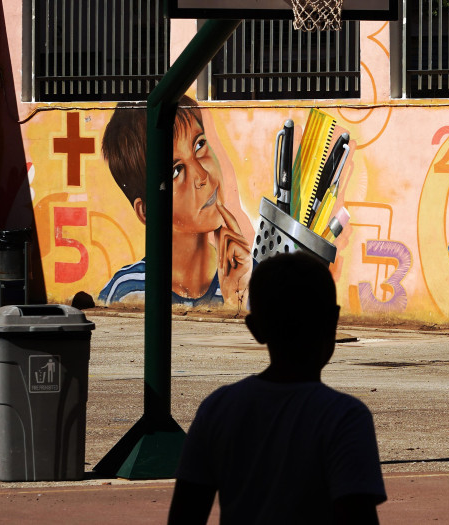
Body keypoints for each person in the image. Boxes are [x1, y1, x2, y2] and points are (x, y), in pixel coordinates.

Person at [169, 252, 386, 524]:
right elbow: (357, 514)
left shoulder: (218, 408)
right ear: (332, 322)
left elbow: (185, 512)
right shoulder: (345, 417)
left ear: (256, 329)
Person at [97, 96, 251, 308]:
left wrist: (237, 298)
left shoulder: (248, 276)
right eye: (176, 171)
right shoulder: (126, 291)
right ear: (147, 212)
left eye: (200, 145)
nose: (202, 175)